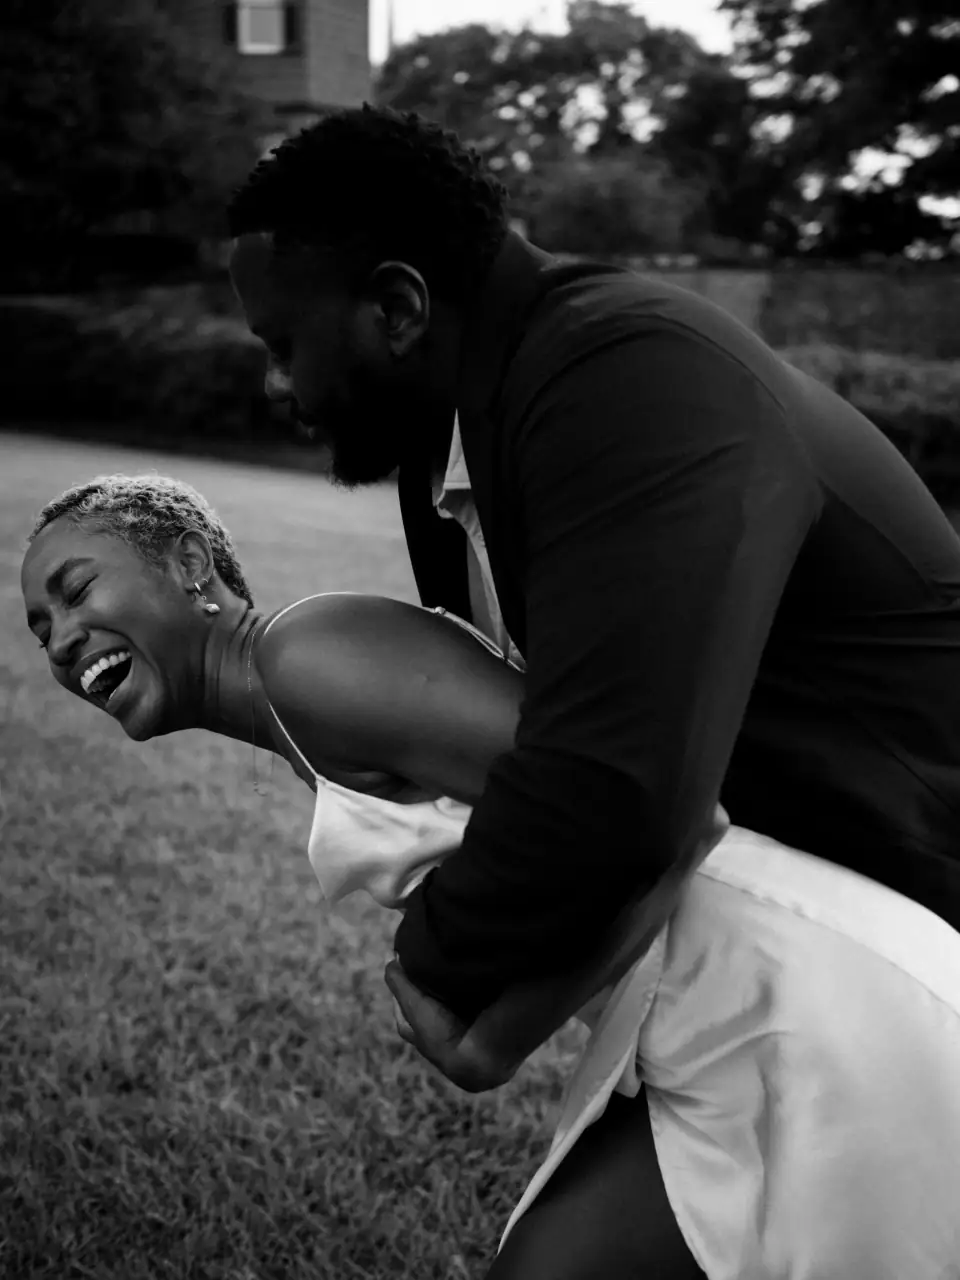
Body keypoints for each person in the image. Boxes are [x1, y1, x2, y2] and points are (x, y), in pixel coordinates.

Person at [22, 474, 960, 1279]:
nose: (62, 638)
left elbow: (665, 809)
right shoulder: (292, 698)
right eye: (39, 626)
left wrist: (496, 1038)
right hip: (694, 1012)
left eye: (76, 590)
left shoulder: (310, 658)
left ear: (191, 565)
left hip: (793, 987)